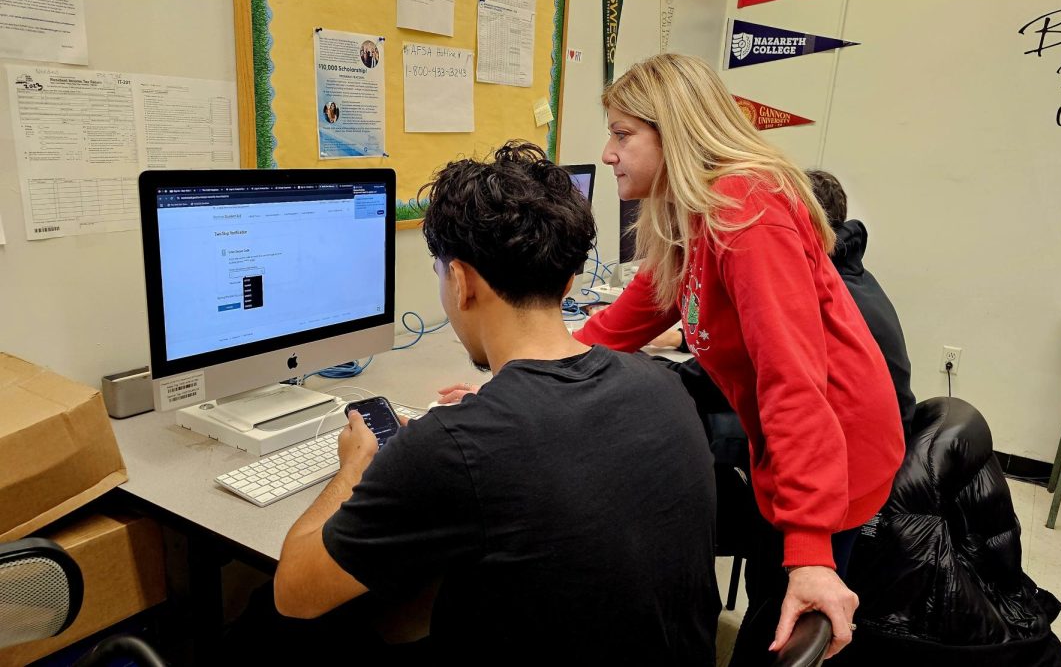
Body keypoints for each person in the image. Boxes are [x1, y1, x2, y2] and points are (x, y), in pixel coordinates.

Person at [271, 141, 721, 665]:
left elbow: (295, 592)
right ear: (570, 277)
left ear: (460, 281)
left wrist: (352, 468)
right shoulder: (664, 386)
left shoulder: (453, 446)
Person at [575, 54, 905, 664]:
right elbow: (628, 317)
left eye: (623, 135)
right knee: (762, 590)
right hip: (783, 452)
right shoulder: (693, 213)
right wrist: (524, 373)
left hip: (835, 450)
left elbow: (793, 379)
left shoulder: (743, 209)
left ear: (674, 132)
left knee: (777, 627)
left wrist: (809, 549)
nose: (608, 154)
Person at [649, 169, 916, 439]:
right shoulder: (850, 273)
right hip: (880, 434)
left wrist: (651, 370)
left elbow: (736, 375)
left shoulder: (815, 293)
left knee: (693, 422)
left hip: (851, 445)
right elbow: (748, 341)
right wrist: (680, 340)